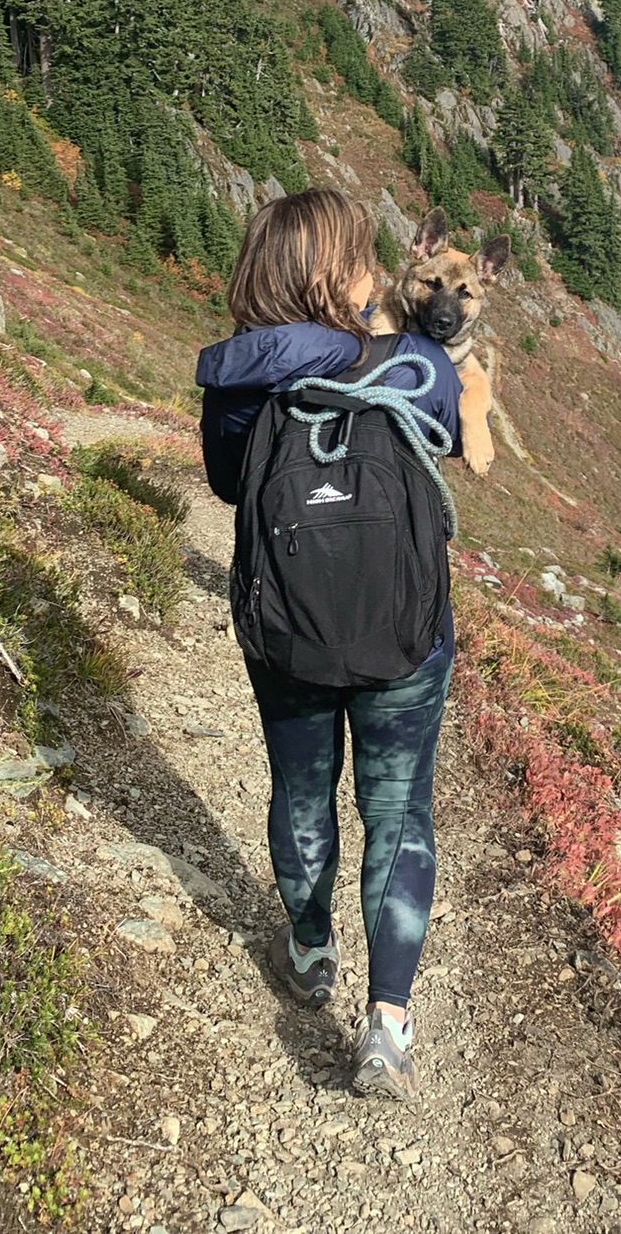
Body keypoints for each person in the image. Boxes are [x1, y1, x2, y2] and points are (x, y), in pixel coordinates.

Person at [197, 188, 462, 1099]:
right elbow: (450, 438)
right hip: (403, 636)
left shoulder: (234, 379)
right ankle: (388, 1023)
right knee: (399, 812)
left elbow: (234, 485)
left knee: (302, 791)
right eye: (357, 257)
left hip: (289, 637)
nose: (368, 274)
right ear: (330, 276)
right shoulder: (418, 365)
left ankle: (310, 956)